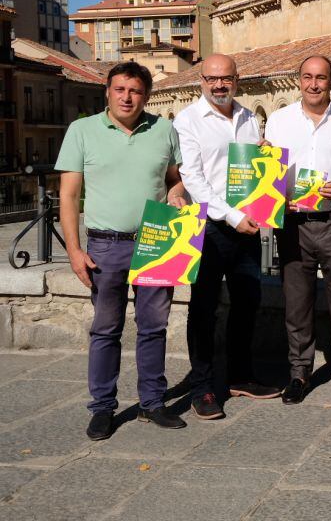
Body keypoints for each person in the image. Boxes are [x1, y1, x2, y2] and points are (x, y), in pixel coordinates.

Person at [56, 61, 187, 440]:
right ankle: (102, 408)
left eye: (135, 91)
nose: (127, 97)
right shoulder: (82, 131)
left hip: (157, 241)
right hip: (105, 245)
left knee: (154, 327)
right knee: (105, 329)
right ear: (108, 92)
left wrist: (178, 194)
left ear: (146, 95)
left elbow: (174, 182)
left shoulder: (164, 130)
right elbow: (68, 195)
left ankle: (152, 403)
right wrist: (74, 251)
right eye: (120, 90)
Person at [173, 53, 281, 420]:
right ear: (201, 81)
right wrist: (232, 217)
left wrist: (265, 159)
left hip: (247, 228)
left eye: (226, 79)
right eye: (212, 79)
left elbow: (252, 170)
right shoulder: (188, 121)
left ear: (237, 79)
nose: (219, 85)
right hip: (208, 226)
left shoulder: (249, 118)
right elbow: (193, 179)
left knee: (247, 302)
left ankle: (240, 376)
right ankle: (202, 388)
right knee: (203, 309)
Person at [264, 55, 331, 404]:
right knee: (297, 304)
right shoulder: (278, 122)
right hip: (293, 225)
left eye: (321, 78)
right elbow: (266, 172)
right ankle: (299, 373)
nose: (313, 84)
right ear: (298, 80)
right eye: (307, 77)